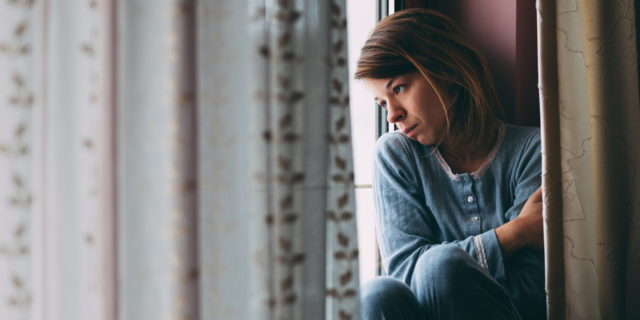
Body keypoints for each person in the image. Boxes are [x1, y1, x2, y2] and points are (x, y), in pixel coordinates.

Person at [355, 8, 546, 320]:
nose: (392, 116)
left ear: (446, 72)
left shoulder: (530, 151)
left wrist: (454, 267)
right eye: (382, 103)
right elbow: (405, 274)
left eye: (399, 88)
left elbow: (529, 290)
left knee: (439, 266)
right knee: (375, 295)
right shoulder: (395, 156)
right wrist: (515, 232)